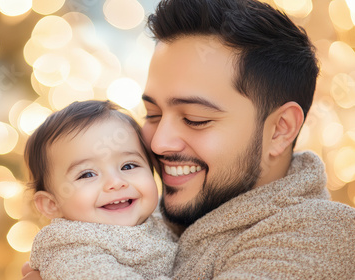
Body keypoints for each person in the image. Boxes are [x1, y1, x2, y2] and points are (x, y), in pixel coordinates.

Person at [23, 0, 355, 279]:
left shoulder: (320, 237)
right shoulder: (145, 219)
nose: (158, 143)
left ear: (281, 129)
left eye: (196, 119)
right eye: (152, 115)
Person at [24, 100, 178, 280]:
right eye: (88, 174)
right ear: (52, 204)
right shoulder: (70, 248)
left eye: (128, 166)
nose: (116, 182)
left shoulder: (166, 214)